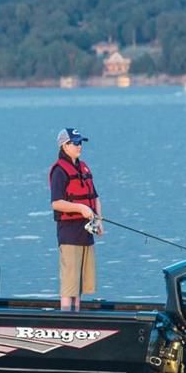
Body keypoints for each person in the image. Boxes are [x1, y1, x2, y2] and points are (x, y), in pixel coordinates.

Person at [49, 127, 103, 312]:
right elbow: (56, 203)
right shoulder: (59, 171)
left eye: (81, 143)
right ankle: (66, 316)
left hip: (86, 231)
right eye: (76, 143)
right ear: (64, 145)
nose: (80, 146)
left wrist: (99, 220)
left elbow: (95, 197)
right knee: (70, 280)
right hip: (69, 231)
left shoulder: (83, 167)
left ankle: (77, 313)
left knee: (80, 281)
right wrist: (80, 208)